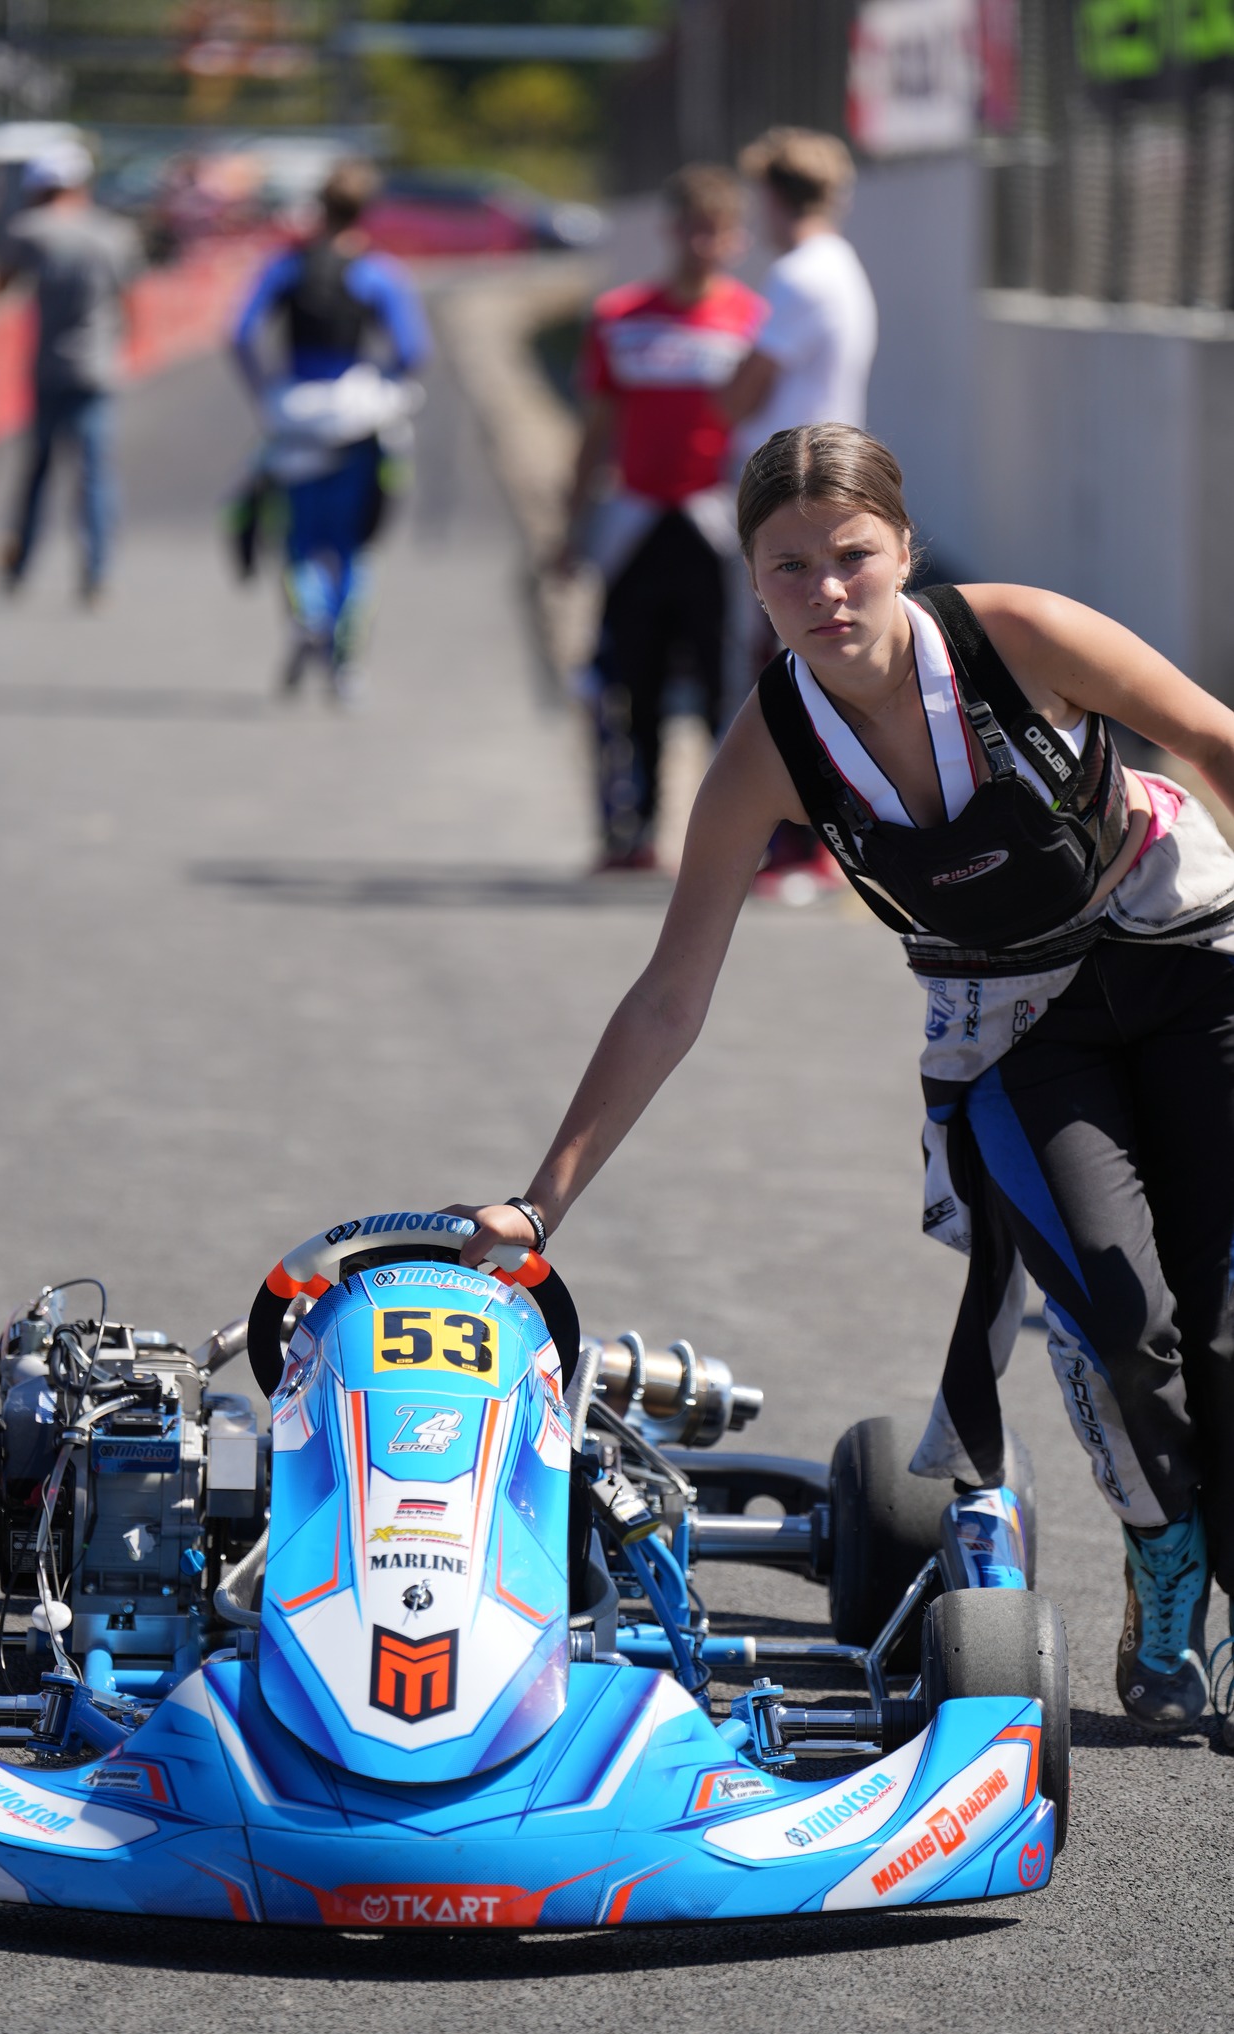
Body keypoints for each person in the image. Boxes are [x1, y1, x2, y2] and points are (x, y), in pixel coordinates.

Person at [456, 421, 1234, 1747]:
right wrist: (541, 1207)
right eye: (790, 567)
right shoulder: (770, 751)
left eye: (853, 556)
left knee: (1219, 1316)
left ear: (904, 552)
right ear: (752, 582)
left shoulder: (1016, 634)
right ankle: (1165, 1548)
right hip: (1015, 1025)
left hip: (1182, 957)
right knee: (1116, 1313)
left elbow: (1217, 740)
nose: (828, 591)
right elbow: (669, 992)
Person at [563, 164, 767, 870]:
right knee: (629, 683)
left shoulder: (751, 320)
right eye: (692, 227)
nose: (703, 243)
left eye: (718, 230)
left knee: (722, 686)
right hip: (634, 522)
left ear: (736, 239)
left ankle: (730, 840)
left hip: (714, 523)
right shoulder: (619, 317)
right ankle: (633, 831)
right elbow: (594, 429)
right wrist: (571, 526)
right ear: (670, 228)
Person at [720, 127, 878, 899]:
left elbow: (742, 390)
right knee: (815, 666)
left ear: (774, 197)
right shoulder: (842, 269)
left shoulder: (798, 276)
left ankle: (800, 848)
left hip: (793, 492)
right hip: (827, 482)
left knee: (786, 671)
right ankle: (811, 844)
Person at [230, 158, 430, 698]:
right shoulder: (378, 273)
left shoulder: (286, 266)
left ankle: (308, 616)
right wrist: (384, 384)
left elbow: (240, 332)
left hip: (294, 413)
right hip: (356, 419)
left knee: (298, 540)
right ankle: (347, 665)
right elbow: (413, 350)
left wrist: (264, 390)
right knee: (354, 546)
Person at [0, 139, 143, 605]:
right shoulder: (114, 233)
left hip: (49, 368)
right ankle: (97, 572)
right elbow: (132, 304)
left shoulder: (30, 230)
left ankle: (20, 563)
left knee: (38, 470)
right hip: (97, 367)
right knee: (95, 474)